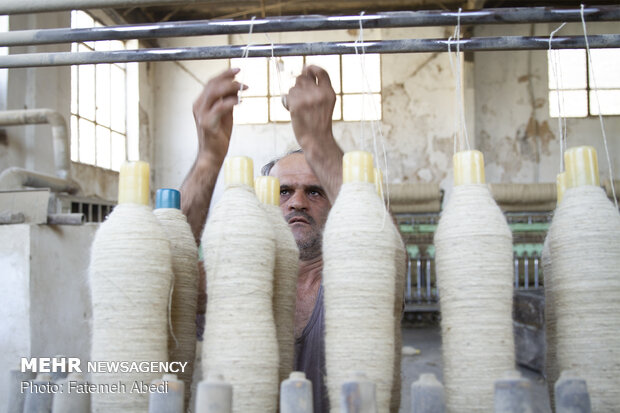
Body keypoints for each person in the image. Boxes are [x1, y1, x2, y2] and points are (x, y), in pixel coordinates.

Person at [181, 65, 343, 412]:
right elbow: (166, 271)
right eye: (283, 191)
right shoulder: (229, 279)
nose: (297, 201)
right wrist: (208, 159)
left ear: (337, 206)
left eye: (314, 192)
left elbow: (388, 253)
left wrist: (320, 144)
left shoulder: (354, 282)